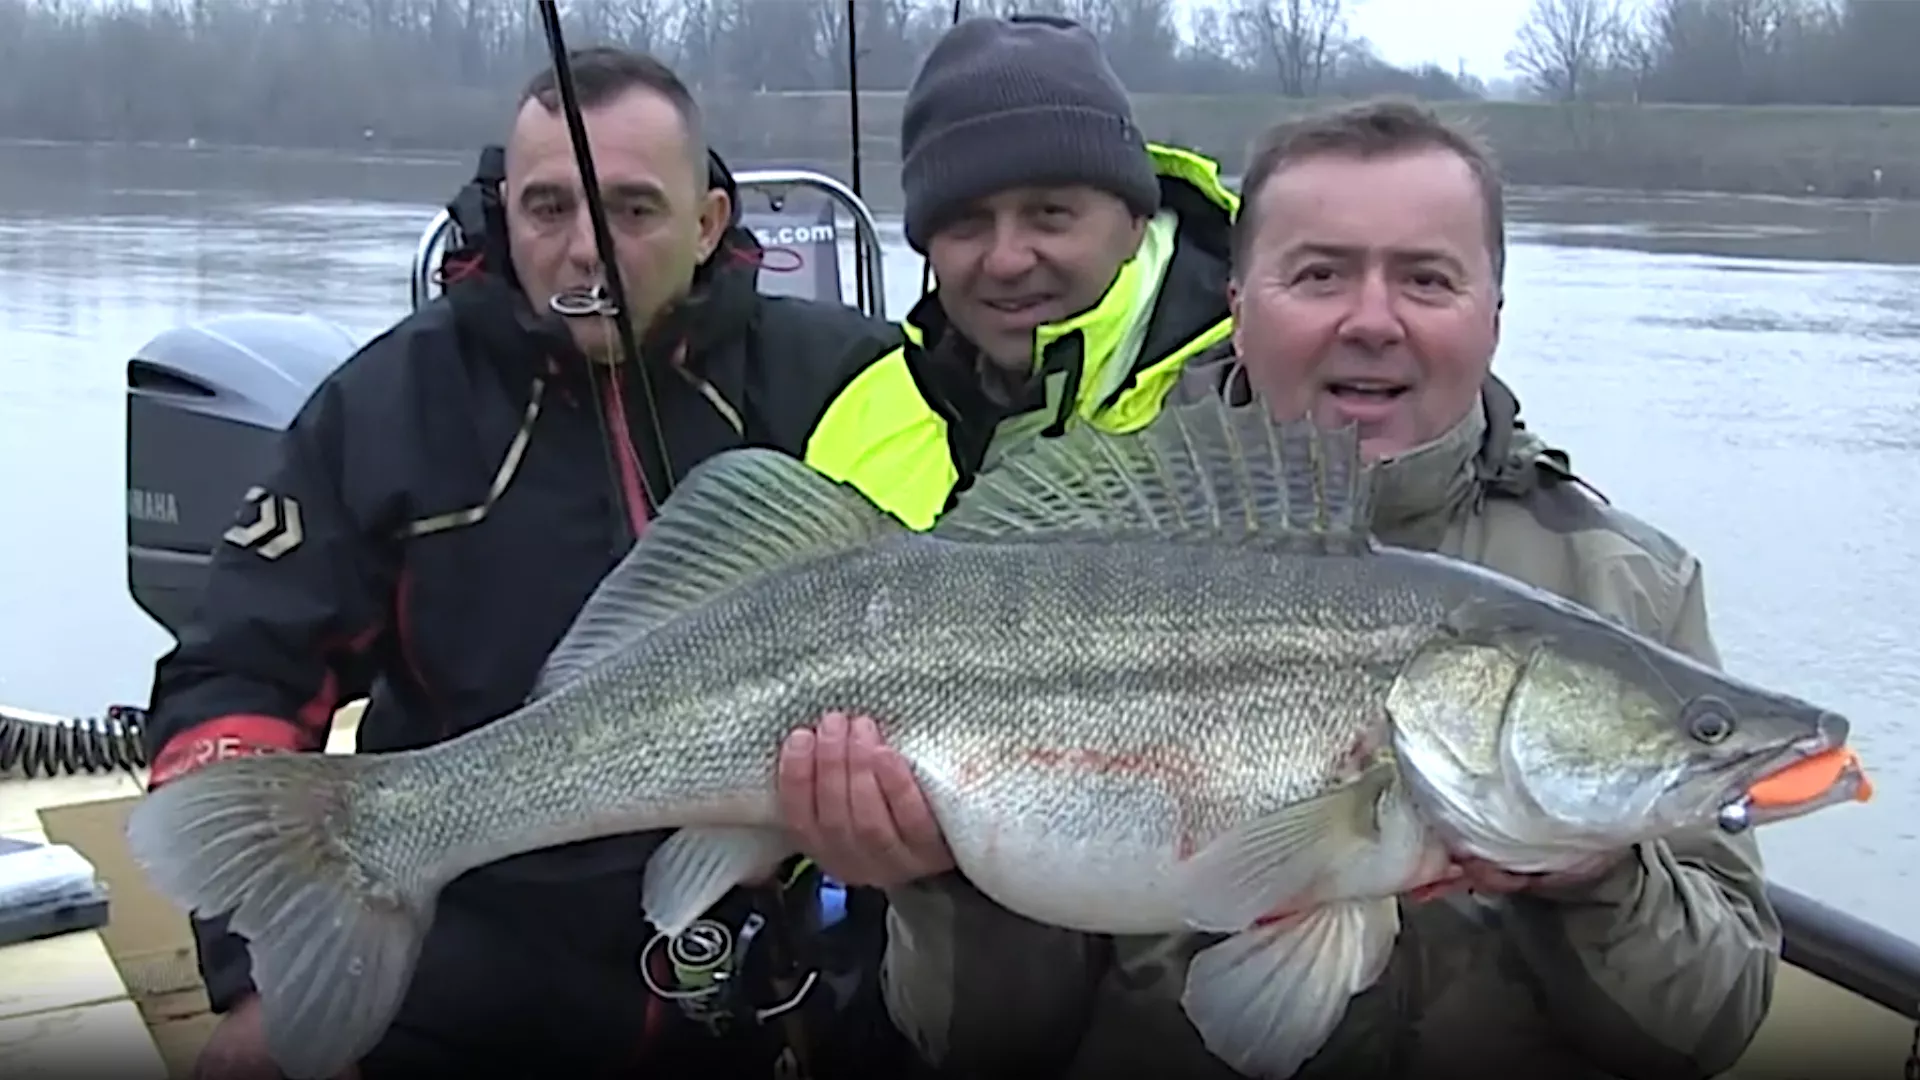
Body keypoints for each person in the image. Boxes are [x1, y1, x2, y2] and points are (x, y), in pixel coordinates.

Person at [780, 97, 1780, 1079]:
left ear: (1493, 316)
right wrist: (940, 883)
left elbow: (1715, 1023)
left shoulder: (1626, 587)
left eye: (1427, 279)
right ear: (1238, 306)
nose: (1373, 320)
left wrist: (1599, 876)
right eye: (1320, 275)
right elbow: (986, 1049)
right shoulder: (1096, 538)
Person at [140, 47, 905, 1080]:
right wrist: (251, 975)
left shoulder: (850, 381)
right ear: (505, 214)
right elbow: (243, 661)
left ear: (710, 221)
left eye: (634, 211)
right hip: (474, 970)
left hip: (789, 969)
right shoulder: (390, 403)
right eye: (549, 210)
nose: (587, 251)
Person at [798, 13, 1241, 532]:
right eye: (966, 222)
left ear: (1135, 222)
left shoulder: (1258, 395)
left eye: (1049, 215)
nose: (1007, 260)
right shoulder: (861, 424)